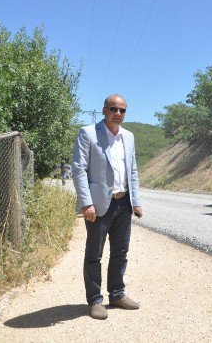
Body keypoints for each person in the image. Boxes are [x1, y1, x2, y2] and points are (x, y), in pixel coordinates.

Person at [72, 94, 143, 320]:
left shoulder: (128, 137)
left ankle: (117, 294)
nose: (118, 114)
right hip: (99, 204)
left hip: (124, 202)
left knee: (120, 251)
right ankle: (95, 300)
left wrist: (136, 201)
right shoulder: (88, 133)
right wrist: (86, 203)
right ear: (104, 110)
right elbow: (78, 170)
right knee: (94, 254)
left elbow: (132, 170)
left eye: (122, 110)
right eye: (114, 109)